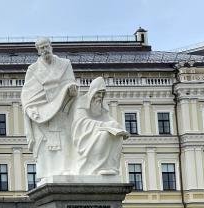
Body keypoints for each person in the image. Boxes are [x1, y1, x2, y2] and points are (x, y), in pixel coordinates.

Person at [21, 37, 78, 180]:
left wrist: (71, 89)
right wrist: (31, 109)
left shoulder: (65, 64)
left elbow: (71, 83)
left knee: (65, 140)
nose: (45, 50)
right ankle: (47, 174)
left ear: (51, 46)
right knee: (45, 146)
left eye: (46, 46)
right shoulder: (33, 69)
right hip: (42, 113)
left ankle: (66, 170)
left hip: (62, 110)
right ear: (38, 51)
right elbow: (27, 94)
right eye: (41, 48)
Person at [71, 77, 128, 175]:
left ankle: (111, 167)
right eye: (98, 93)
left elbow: (110, 120)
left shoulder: (102, 107)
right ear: (92, 92)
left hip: (97, 132)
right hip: (84, 137)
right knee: (105, 135)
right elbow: (81, 123)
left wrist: (119, 128)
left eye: (102, 94)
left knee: (117, 135)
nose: (100, 96)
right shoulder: (81, 103)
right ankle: (97, 167)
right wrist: (105, 125)